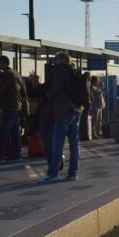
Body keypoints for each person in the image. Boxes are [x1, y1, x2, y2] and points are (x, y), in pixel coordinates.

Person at [38, 52, 83, 182]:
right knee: (74, 143)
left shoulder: (60, 70)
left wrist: (47, 96)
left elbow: (57, 88)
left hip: (63, 109)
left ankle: (52, 173)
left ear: (63, 59)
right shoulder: (74, 70)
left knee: (58, 142)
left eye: (56, 58)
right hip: (76, 109)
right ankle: (73, 173)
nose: (54, 61)